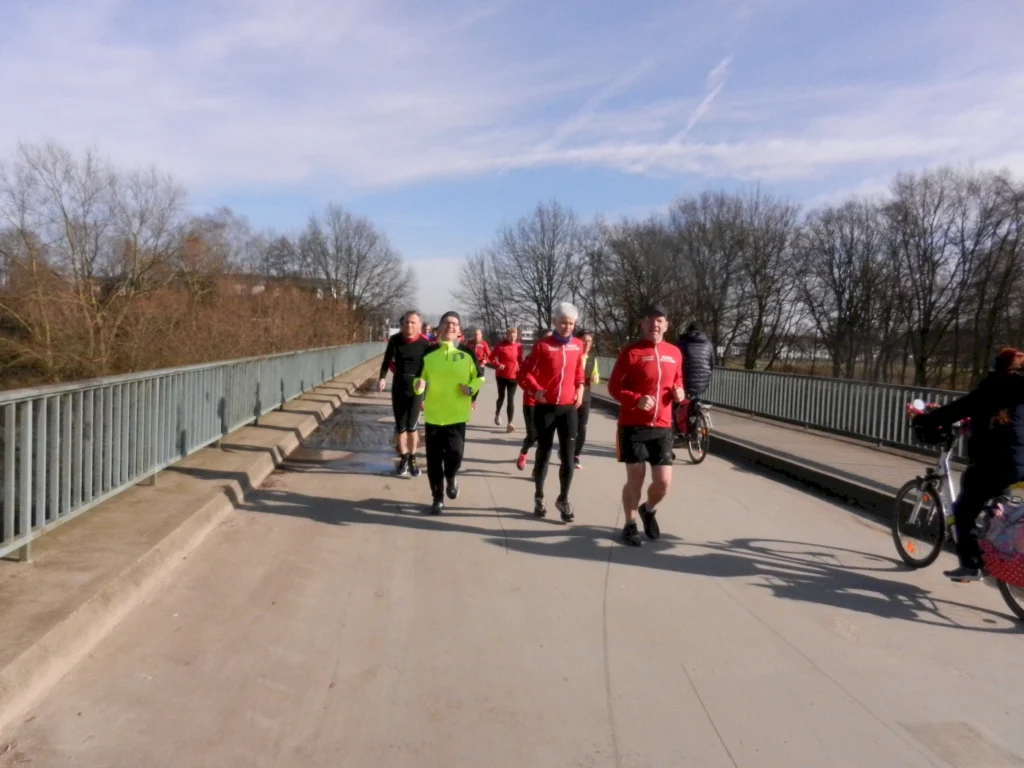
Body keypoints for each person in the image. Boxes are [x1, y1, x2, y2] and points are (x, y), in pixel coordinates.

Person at [912, 348, 1024, 581]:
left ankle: (970, 565)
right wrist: (975, 426)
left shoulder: (991, 388)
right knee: (990, 494)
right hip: (1019, 464)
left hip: (997, 463)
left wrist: (924, 420)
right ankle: (991, 538)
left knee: (964, 509)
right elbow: (1007, 423)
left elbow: (957, 409)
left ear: (998, 366)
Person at [608, 305, 685, 546]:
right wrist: (635, 399)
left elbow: (678, 380)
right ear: (642, 324)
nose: (655, 324)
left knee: (663, 482)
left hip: (662, 425)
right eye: (650, 320)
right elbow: (613, 387)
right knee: (636, 478)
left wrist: (680, 393)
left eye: (660, 320)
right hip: (633, 425)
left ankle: (648, 510)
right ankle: (630, 524)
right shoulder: (631, 352)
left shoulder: (674, 352)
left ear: (666, 325)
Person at [412, 311, 485, 514]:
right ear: (440, 327)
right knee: (434, 461)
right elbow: (418, 380)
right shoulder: (429, 353)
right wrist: (418, 386)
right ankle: (437, 498)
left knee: (455, 457)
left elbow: (480, 377)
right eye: (446, 323)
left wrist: (471, 388)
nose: (450, 326)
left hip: (457, 415)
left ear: (459, 329)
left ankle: (451, 477)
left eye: (454, 323)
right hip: (434, 415)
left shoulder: (467, 353)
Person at [519, 308, 585, 521]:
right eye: (563, 322)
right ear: (555, 321)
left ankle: (563, 498)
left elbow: (578, 372)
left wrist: (581, 387)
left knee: (568, 457)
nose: (567, 327)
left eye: (571, 324)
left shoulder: (578, 345)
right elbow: (524, 373)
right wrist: (536, 390)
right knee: (544, 454)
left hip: (568, 409)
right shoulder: (543, 346)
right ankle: (539, 495)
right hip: (546, 409)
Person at [378, 312, 433, 476]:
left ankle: (413, 459)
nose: (409, 325)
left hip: (416, 389)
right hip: (398, 387)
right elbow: (387, 360)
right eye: (406, 322)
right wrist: (381, 378)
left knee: (412, 427)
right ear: (402, 325)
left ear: (419, 325)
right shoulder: (395, 340)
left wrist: (426, 384)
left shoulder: (425, 344)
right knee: (400, 428)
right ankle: (403, 458)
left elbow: (430, 367)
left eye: (412, 322)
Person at [515, 328, 553, 472]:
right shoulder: (531, 358)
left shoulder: (558, 359)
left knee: (544, 438)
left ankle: (538, 469)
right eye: (547, 339)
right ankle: (524, 451)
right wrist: (531, 391)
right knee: (533, 434)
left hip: (549, 403)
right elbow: (521, 377)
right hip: (531, 402)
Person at [676, 323, 716, 434]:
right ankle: (695, 422)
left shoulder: (683, 342)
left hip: (686, 378)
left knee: (679, 402)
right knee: (695, 400)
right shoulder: (708, 344)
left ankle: (681, 428)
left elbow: (677, 360)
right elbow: (712, 363)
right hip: (703, 380)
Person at [574, 330, 600, 469]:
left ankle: (576, 455)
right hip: (571, 396)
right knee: (571, 428)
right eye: (584, 340)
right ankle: (566, 450)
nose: (587, 344)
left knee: (582, 428)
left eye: (589, 341)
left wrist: (595, 378)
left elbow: (596, 375)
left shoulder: (592, 358)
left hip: (585, 396)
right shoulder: (574, 356)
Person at [490, 327, 523, 432]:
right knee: (501, 397)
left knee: (510, 400)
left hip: (513, 376)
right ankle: (497, 414)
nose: (512, 338)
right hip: (501, 376)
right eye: (510, 336)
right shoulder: (500, 346)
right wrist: (498, 364)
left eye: (514, 336)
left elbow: (520, 359)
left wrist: (521, 368)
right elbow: (491, 357)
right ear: (506, 335)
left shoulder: (519, 346)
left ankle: (510, 423)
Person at [465, 328, 492, 411]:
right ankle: (467, 401)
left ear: (481, 335)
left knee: (476, 385)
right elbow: (465, 353)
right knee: (468, 384)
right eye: (475, 334)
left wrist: (485, 360)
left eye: (478, 334)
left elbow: (490, 356)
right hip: (469, 367)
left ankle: (473, 401)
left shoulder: (484, 344)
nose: (476, 336)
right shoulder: (469, 343)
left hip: (480, 367)